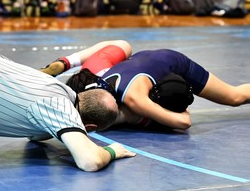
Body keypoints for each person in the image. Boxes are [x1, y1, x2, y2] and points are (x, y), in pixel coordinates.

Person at [0, 37, 135, 176]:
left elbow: (36, 135)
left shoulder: (58, 90)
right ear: (88, 127)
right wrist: (112, 151)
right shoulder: (60, 106)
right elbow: (90, 161)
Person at [42, 40, 250, 130]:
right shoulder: (92, 74)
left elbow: (184, 122)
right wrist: (66, 64)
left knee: (234, 97)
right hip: (137, 64)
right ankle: (64, 63)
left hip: (175, 63)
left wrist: (180, 103)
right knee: (123, 46)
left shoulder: (135, 100)